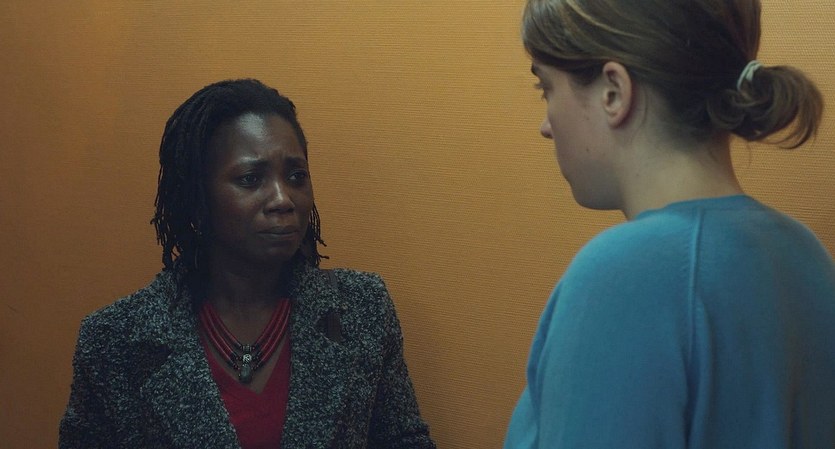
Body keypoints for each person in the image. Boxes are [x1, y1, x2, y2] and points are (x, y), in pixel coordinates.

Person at [505, 1, 835, 448]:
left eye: (546, 87)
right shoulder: (806, 254)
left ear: (613, 92)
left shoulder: (621, 277)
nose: (546, 126)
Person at [60, 78, 436, 449]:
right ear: (198, 199)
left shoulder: (362, 309)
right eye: (251, 179)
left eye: (296, 176)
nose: (282, 199)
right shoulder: (115, 341)